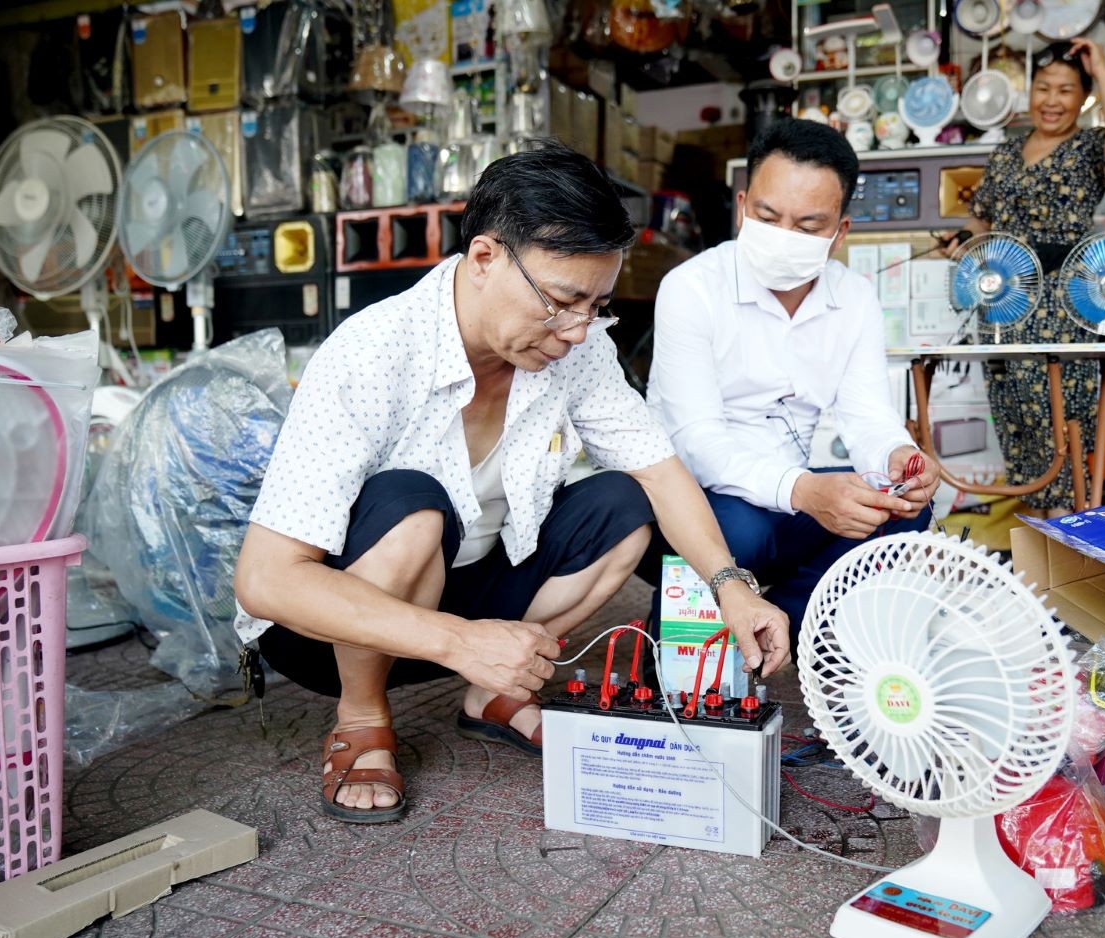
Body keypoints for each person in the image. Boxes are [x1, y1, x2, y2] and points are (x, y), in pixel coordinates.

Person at [234, 142, 790, 824]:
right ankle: (362, 713)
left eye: (598, 305)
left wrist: (730, 587)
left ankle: (489, 689)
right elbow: (265, 580)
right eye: (560, 302)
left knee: (624, 504)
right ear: (485, 257)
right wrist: (458, 641)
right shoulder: (374, 350)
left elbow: (658, 466)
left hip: (469, 592)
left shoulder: (574, 346)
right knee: (412, 504)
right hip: (335, 625)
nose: (578, 329)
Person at [643, 119, 937, 644]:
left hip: (789, 492)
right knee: (742, 531)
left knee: (898, 515)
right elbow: (697, 441)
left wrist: (897, 459)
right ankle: (689, 643)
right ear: (741, 206)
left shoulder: (854, 299)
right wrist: (803, 490)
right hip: (699, 502)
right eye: (766, 216)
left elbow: (869, 416)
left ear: (840, 232)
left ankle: (785, 625)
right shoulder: (691, 289)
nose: (783, 237)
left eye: (807, 226)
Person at [945, 38, 1105, 517]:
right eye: (1043, 88)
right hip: (1002, 301)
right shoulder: (1007, 152)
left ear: (1083, 97)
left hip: (1059, 300)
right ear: (1028, 92)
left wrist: (1101, 68)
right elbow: (984, 219)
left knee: (1060, 416)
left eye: (1066, 90)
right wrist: (962, 239)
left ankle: (1067, 527)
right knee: (1014, 416)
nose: (1052, 101)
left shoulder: (1091, 147)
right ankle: (1033, 531)